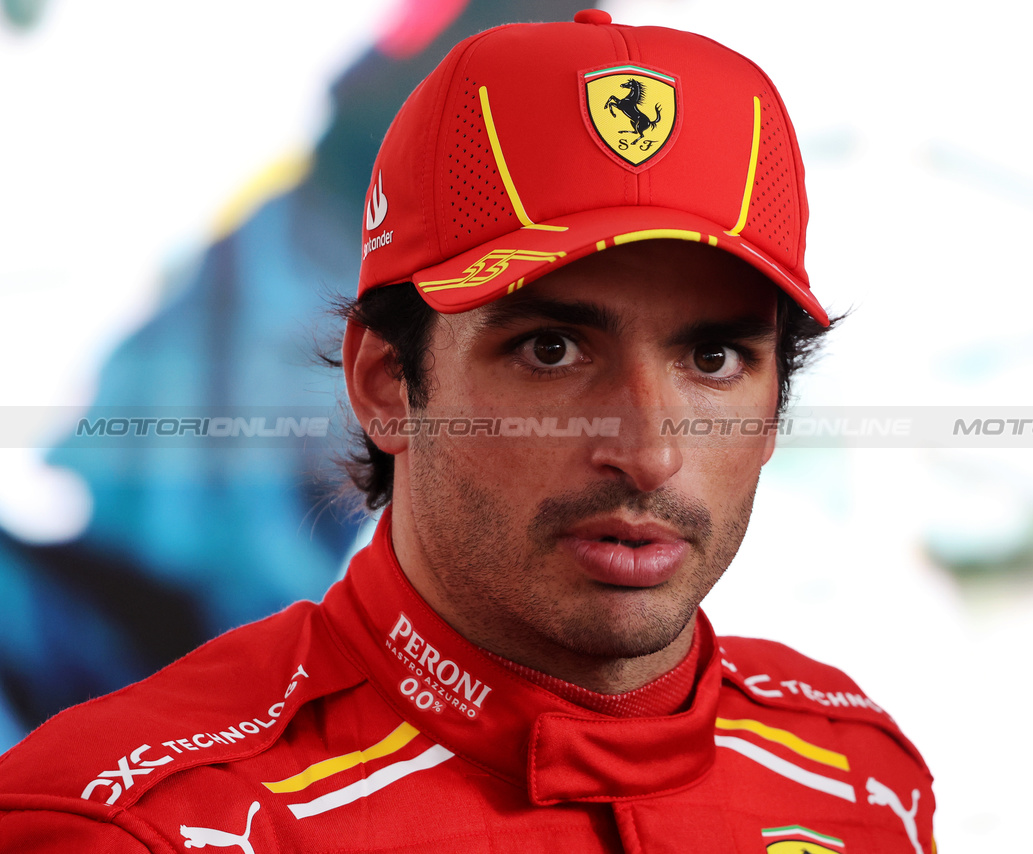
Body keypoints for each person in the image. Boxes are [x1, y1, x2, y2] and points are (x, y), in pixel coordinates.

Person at [0, 10, 935, 852]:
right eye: (552, 350)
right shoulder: (146, 829)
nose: (650, 454)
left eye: (716, 359)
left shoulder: (862, 779)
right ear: (384, 383)